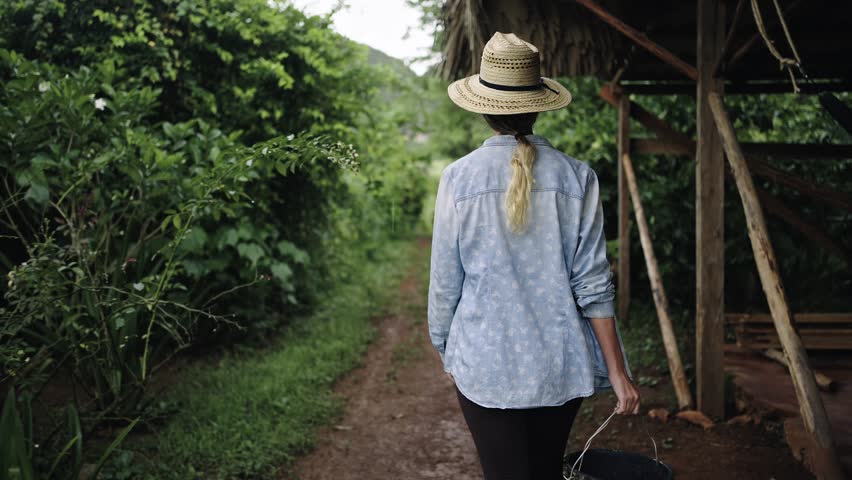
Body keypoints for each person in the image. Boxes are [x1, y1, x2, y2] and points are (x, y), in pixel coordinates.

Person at [427, 32, 640, 480]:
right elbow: (594, 284)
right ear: (539, 105)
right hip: (558, 366)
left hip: (484, 364)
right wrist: (618, 372)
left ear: (483, 108)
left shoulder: (458, 179)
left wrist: (448, 350)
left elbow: (446, 282)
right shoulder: (578, 177)